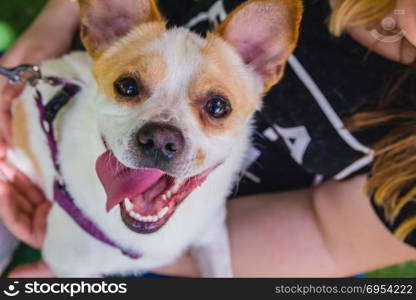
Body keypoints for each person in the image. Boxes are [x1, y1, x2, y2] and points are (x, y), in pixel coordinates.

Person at [0, 0, 416, 278]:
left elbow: (327, 238)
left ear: (264, 66)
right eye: (130, 87)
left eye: (215, 107)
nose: (164, 136)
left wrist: (124, 250)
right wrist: (54, 19)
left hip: (248, 228)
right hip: (33, 141)